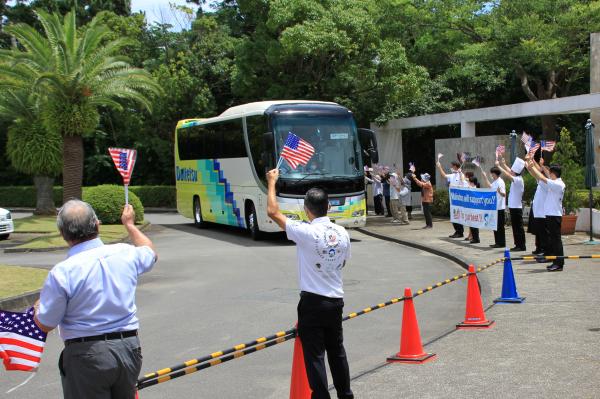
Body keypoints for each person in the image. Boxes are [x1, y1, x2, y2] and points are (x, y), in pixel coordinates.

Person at [33, 200, 157, 399]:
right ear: (97, 224)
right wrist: (130, 225)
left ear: (63, 233)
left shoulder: (63, 272)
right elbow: (150, 252)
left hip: (86, 354)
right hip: (128, 347)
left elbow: (46, 324)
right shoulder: (125, 252)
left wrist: (38, 308)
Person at [266, 168, 354, 399]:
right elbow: (341, 263)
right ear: (329, 207)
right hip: (336, 300)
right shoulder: (342, 232)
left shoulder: (306, 231)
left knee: (315, 356)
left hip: (313, 301)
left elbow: (273, 211)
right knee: (337, 352)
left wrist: (272, 182)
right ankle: (346, 395)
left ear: (307, 210)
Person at [526, 161, 566, 272]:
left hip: (554, 216)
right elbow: (540, 178)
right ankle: (555, 262)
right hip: (550, 215)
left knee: (556, 241)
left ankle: (559, 263)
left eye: (550, 173)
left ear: (554, 173)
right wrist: (531, 169)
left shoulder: (558, 184)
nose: (549, 174)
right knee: (554, 240)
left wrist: (533, 168)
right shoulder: (553, 184)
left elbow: (543, 178)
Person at [497, 157, 527, 251]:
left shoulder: (518, 180)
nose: (511, 171)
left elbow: (508, 174)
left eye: (513, 171)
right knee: (515, 227)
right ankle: (517, 244)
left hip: (516, 208)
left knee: (518, 228)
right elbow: (510, 172)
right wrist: (504, 164)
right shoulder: (516, 178)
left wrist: (499, 167)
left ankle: (521, 245)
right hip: (513, 207)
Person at [479, 165, 506, 248]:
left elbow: (504, 194)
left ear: (495, 174)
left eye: (492, 174)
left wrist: (499, 192)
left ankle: (501, 243)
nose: (491, 175)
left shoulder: (500, 182)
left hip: (499, 208)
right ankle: (497, 242)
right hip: (494, 207)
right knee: (495, 225)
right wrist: (485, 177)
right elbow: (490, 186)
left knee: (499, 226)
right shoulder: (495, 181)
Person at [528, 156, 549, 256]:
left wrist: (532, 165)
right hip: (538, 213)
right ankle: (540, 249)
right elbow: (534, 174)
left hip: (543, 213)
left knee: (544, 235)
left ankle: (544, 251)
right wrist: (529, 163)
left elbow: (537, 175)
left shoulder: (546, 183)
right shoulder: (541, 183)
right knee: (539, 233)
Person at [436, 160, 464, 238]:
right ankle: (457, 231)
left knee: (458, 216)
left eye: (452, 166)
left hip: (458, 199)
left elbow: (463, 181)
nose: (451, 167)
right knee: (453, 216)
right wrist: (439, 167)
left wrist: (460, 173)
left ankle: (460, 232)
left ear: (455, 166)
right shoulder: (452, 175)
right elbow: (444, 175)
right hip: (452, 199)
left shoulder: (461, 174)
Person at [466, 176, 480, 244]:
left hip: (474, 210)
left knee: (474, 225)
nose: (469, 183)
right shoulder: (471, 188)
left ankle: (476, 238)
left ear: (473, 183)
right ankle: (474, 238)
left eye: (470, 182)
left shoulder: (475, 189)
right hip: (470, 209)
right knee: (471, 224)